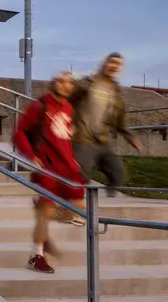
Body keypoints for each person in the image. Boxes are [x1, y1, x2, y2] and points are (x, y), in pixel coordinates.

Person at [13, 70, 85, 274]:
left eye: (68, 82)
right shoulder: (40, 105)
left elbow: (65, 137)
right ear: (52, 83)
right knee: (45, 213)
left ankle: (43, 224)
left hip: (69, 169)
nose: (64, 85)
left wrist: (74, 159)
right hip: (48, 167)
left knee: (80, 213)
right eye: (60, 81)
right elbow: (20, 132)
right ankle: (37, 256)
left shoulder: (69, 107)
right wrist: (30, 154)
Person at [70, 52, 142, 197]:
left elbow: (121, 121)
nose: (114, 66)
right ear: (104, 64)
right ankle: (69, 205)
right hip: (84, 138)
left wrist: (132, 139)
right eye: (111, 62)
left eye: (118, 64)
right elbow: (67, 100)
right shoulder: (88, 83)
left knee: (117, 173)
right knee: (81, 174)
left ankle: (105, 205)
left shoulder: (115, 93)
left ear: (121, 68)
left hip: (103, 140)